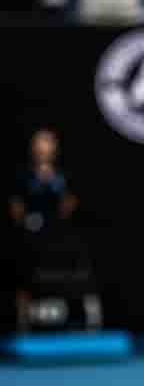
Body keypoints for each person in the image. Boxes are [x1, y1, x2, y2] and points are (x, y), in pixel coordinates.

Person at [9, 129, 77, 333]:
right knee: (24, 271)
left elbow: (69, 204)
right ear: (33, 148)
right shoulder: (23, 176)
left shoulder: (63, 176)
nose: (43, 148)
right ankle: (24, 322)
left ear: (55, 148)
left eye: (48, 143)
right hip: (29, 236)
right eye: (40, 143)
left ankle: (67, 319)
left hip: (57, 235)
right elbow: (16, 208)